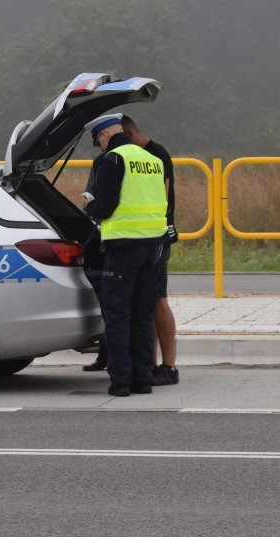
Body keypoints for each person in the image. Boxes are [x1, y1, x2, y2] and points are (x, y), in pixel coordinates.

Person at [82, 113, 167, 397]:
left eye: (98, 142)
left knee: (118, 316)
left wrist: (90, 207)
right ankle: (142, 381)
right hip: (153, 247)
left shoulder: (113, 159)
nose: (100, 147)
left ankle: (120, 383)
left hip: (123, 248)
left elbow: (105, 206)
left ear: (105, 135)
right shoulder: (151, 160)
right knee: (142, 317)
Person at [121, 115, 179, 386]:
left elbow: (161, 197)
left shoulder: (156, 155)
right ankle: (150, 364)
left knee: (157, 301)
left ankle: (168, 366)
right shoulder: (144, 155)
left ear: (130, 134)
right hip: (145, 237)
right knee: (146, 303)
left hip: (155, 238)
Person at [81, 151, 109, 372]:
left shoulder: (111, 161)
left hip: (115, 243)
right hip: (111, 240)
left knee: (114, 310)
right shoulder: (102, 161)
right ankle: (106, 356)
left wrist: (91, 206)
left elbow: (100, 204)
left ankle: (111, 359)